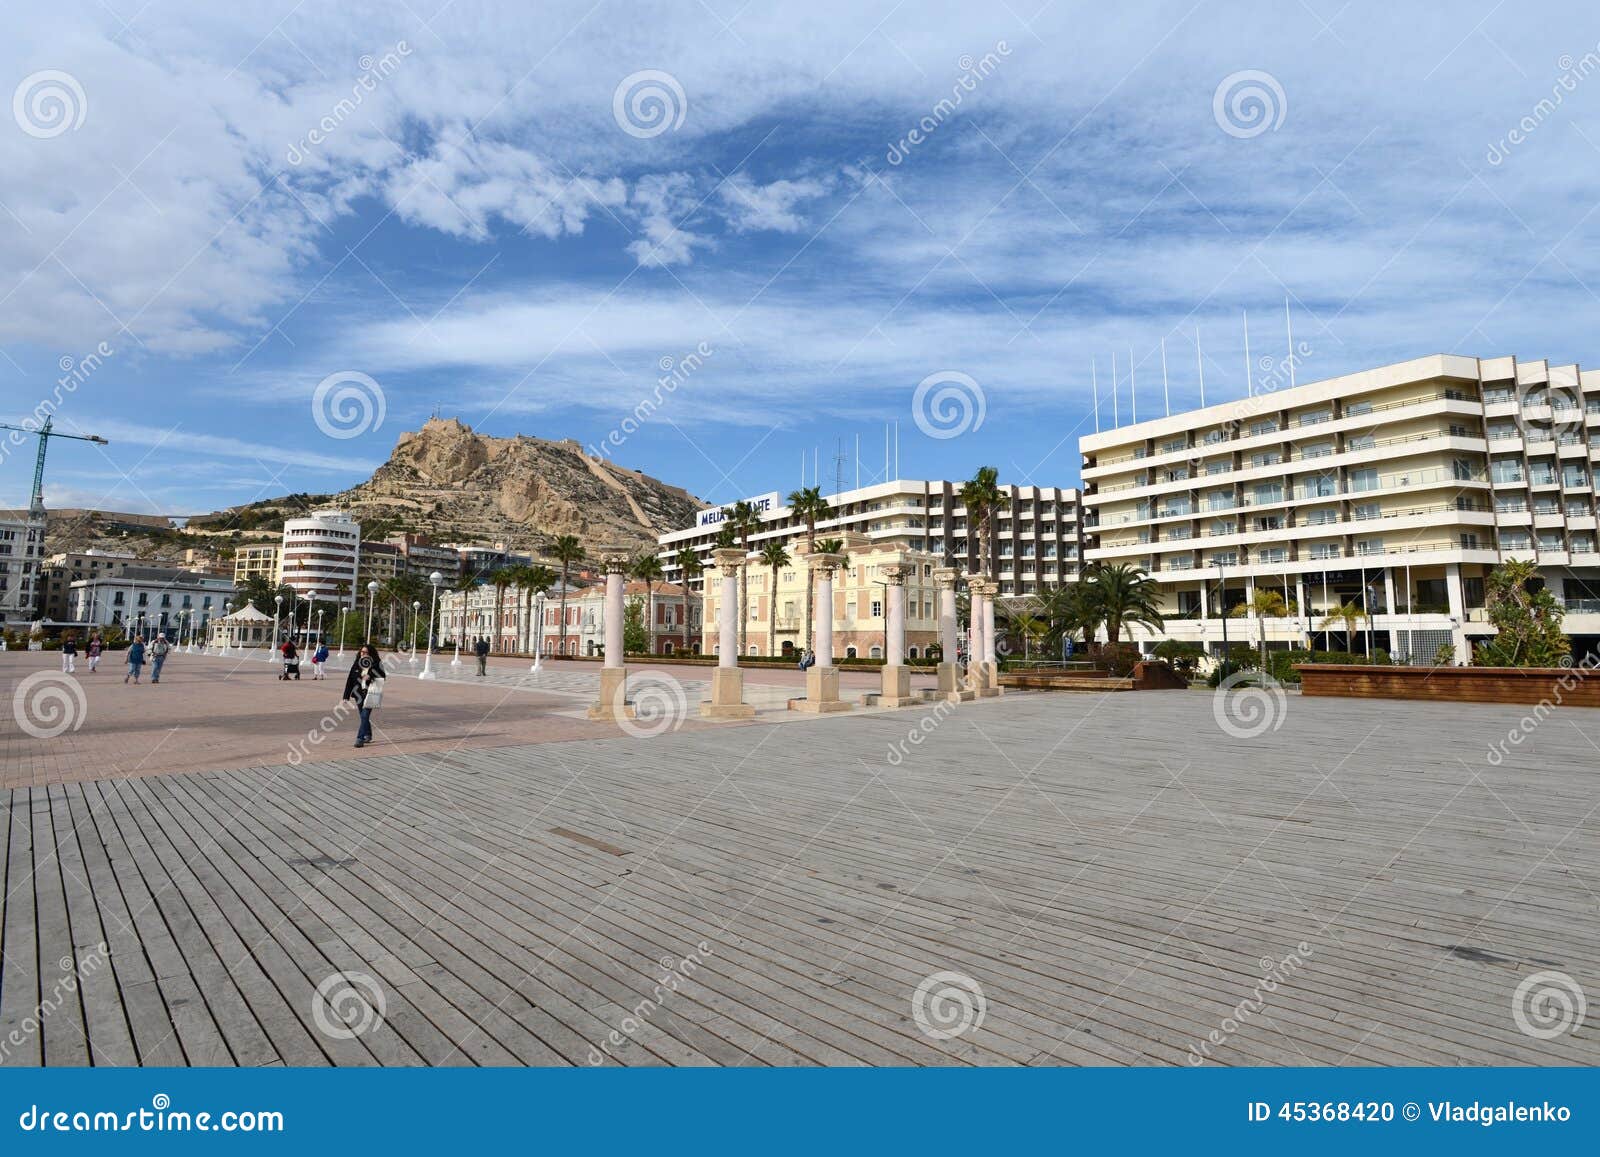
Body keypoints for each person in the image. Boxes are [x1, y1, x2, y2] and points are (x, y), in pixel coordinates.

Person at [342, 643, 387, 748]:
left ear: (371, 653)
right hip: (358, 694)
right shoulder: (356, 664)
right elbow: (350, 680)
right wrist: (346, 696)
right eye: (362, 652)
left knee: (365, 715)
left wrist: (370, 675)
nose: (363, 654)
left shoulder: (377, 663)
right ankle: (368, 734)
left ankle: (360, 738)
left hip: (371, 693)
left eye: (366, 652)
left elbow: (383, 676)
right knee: (363, 716)